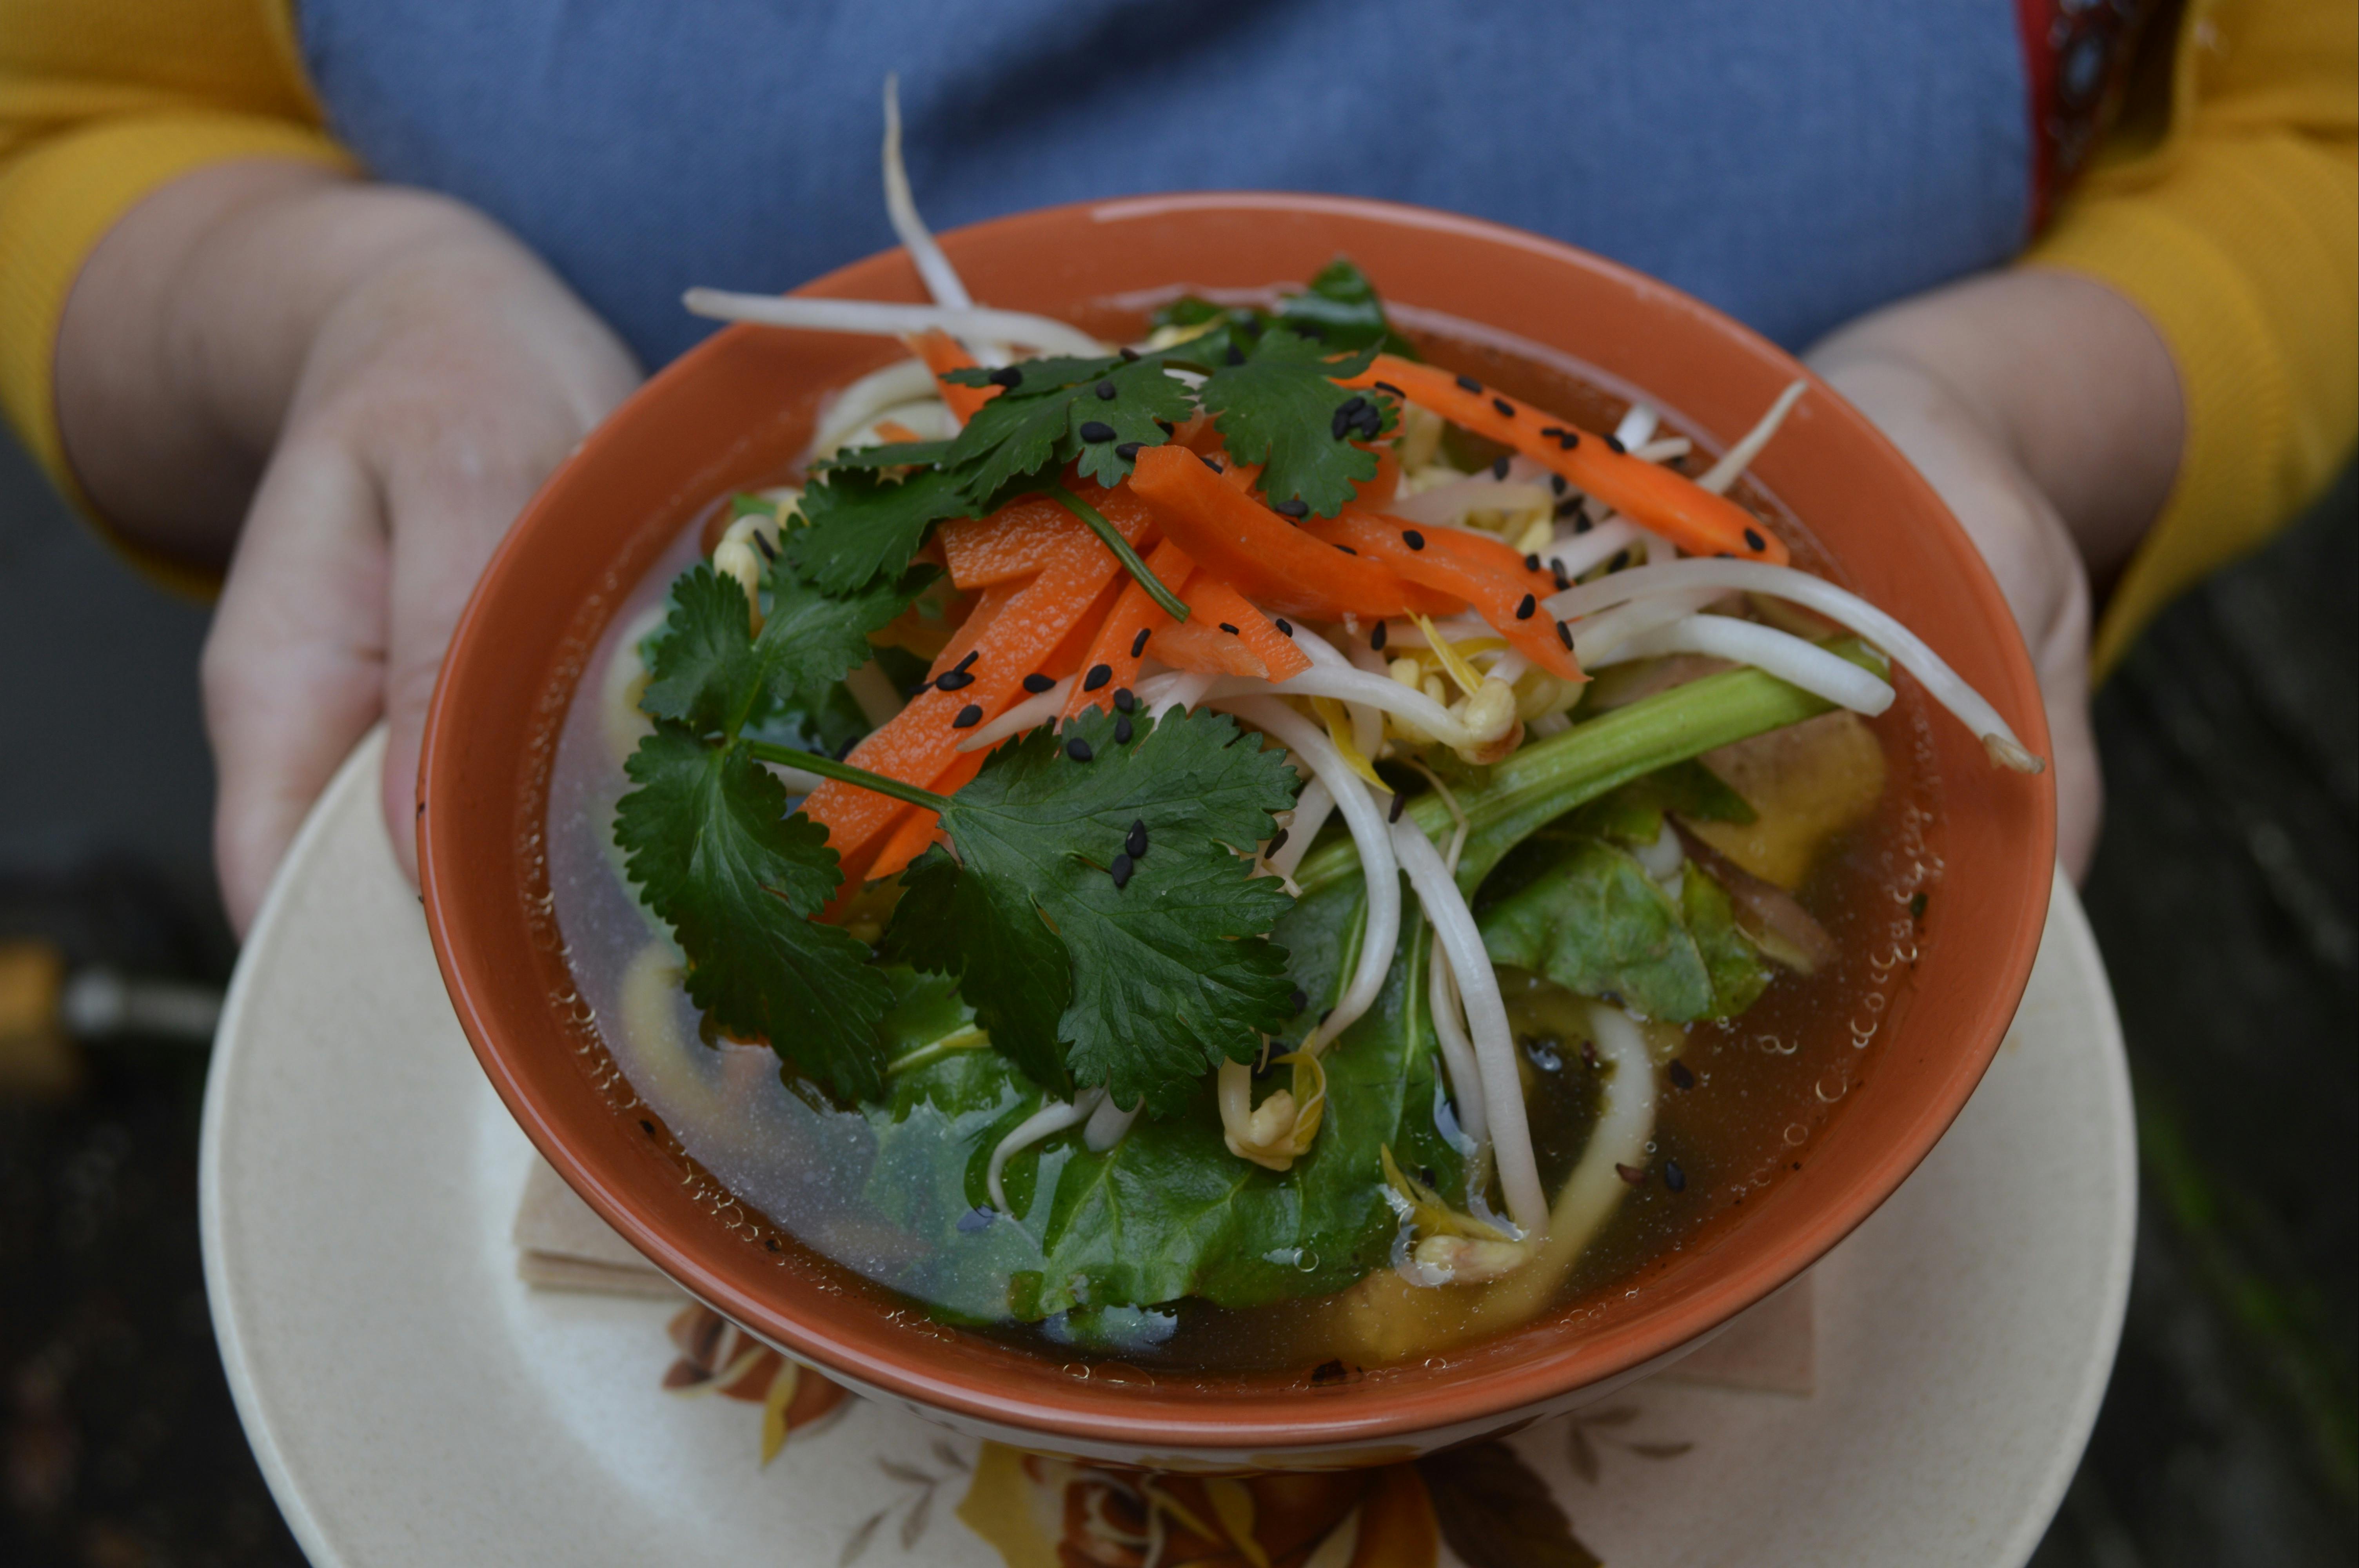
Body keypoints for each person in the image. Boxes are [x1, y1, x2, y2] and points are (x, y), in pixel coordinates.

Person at [2, 1, 2350, 930]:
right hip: (745, 764)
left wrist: (1999, 405)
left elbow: (2313, 135)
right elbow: (77, 102)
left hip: (1677, 656)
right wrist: (351, 305)